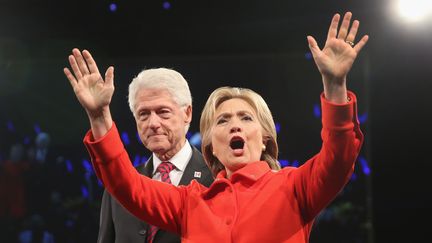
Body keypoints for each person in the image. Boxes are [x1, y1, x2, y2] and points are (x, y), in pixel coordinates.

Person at [64, 12, 368, 242]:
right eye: (223, 120)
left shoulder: (294, 187)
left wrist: (335, 84)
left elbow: (339, 156)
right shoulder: (190, 202)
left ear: (264, 139)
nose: (234, 125)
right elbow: (125, 185)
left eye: (245, 118)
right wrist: (100, 115)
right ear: (210, 144)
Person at [64, 59, 213, 242]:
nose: (153, 124)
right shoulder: (117, 186)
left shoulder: (217, 180)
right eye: (143, 114)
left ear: (187, 113)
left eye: (163, 112)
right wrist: (98, 116)